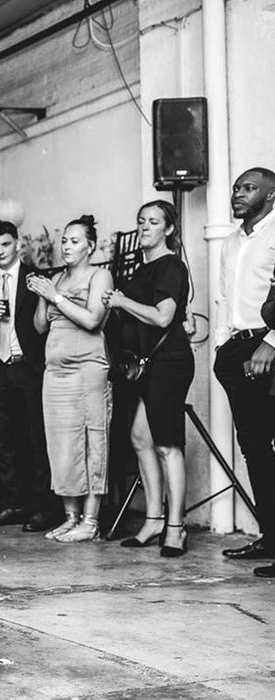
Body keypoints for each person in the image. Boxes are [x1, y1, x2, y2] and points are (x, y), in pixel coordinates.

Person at [103, 200, 194, 557]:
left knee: (168, 444)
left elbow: (161, 318)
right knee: (140, 438)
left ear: (168, 229)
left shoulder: (171, 266)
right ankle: (153, 519)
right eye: (141, 221)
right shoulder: (139, 270)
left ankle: (176, 527)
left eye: (153, 222)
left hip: (168, 362)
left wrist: (122, 302)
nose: (144, 227)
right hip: (141, 365)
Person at [29, 216, 113, 542]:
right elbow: (39, 326)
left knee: (92, 441)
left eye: (75, 241)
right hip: (56, 372)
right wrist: (42, 293)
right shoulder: (56, 279)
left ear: (90, 246)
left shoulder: (99, 275)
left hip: (88, 368)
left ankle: (90, 522)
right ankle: (71, 516)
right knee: (61, 444)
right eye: (64, 240)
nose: (67, 246)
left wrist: (55, 296)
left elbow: (93, 320)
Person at [0, 221, 60, 532]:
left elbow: (45, 324)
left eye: (5, 245)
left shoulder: (36, 279)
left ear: (17, 244)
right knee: (1, 440)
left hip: (27, 366)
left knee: (35, 438)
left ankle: (42, 507)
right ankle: (12, 503)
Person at [212, 168, 275, 576]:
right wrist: (221, 345)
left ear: (270, 196)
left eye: (248, 188)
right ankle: (271, 538)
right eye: (236, 188)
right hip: (237, 349)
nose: (237, 194)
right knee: (254, 448)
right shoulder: (232, 242)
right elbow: (222, 297)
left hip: (267, 345)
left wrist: (272, 343)